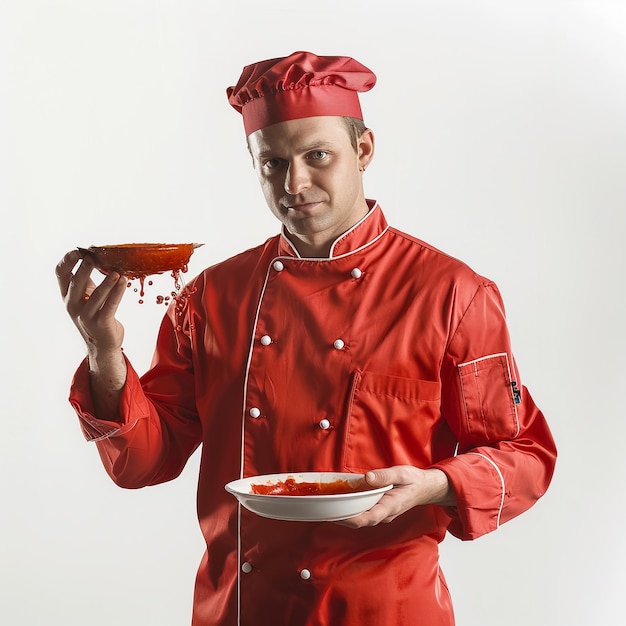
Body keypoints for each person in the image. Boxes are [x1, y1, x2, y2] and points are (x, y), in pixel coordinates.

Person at [56, 51, 557, 626]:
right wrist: (105, 355)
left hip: (386, 610)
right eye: (271, 164)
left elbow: (524, 456)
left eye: (317, 156)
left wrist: (436, 483)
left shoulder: (453, 294)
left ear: (363, 149)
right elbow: (143, 463)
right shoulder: (210, 298)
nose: (293, 183)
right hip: (240, 610)